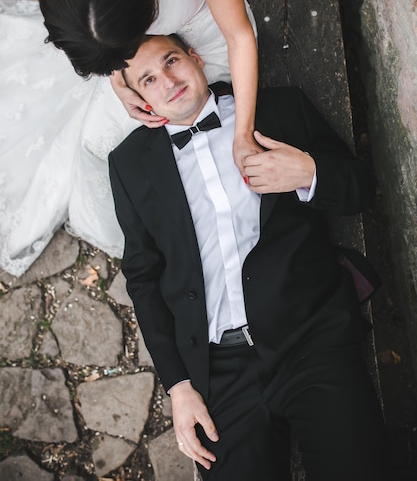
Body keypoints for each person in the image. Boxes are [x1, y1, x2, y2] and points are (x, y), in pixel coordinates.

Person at [109, 34, 389, 481]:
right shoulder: (128, 164)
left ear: (196, 58)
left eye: (172, 61)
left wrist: (308, 172)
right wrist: (179, 386)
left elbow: (362, 187)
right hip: (219, 371)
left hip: (310, 338)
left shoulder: (279, 109)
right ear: (139, 99)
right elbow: (142, 278)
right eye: (148, 79)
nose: (168, 81)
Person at [0, 0, 258, 277]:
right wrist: (119, 77)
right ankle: (132, 238)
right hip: (139, 60)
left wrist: (243, 133)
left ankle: (182, 239)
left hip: (208, 45)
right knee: (95, 144)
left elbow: (239, 36)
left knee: (140, 147)